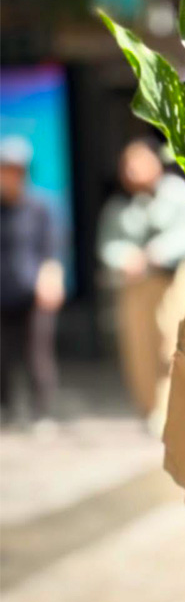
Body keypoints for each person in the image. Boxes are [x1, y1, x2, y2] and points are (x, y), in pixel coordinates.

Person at [97, 136, 185, 434]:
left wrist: (155, 253)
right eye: (127, 164)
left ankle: (169, 409)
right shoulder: (119, 206)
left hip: (174, 281)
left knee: (172, 346)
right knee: (138, 347)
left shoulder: (178, 193)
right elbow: (107, 245)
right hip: (136, 286)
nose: (132, 170)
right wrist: (126, 259)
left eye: (139, 162)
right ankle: (149, 407)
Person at [0, 136, 64, 427]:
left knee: (38, 355)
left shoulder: (41, 207)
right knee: (3, 357)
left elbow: (51, 248)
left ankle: (42, 413)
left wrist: (50, 277)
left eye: (14, 169)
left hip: (34, 291)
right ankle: (8, 408)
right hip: (4, 291)